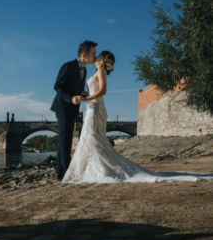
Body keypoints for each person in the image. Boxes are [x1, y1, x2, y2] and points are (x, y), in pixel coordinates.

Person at [62, 51, 212, 183]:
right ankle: (87, 167)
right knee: (91, 137)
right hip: (91, 106)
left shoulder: (101, 71)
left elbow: (102, 91)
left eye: (99, 56)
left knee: (92, 136)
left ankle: (93, 168)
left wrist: (88, 99)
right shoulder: (98, 71)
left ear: (102, 60)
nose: (96, 57)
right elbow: (94, 92)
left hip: (94, 107)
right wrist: (84, 95)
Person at [51, 40, 97, 179]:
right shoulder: (68, 66)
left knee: (65, 138)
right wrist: (70, 98)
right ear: (84, 54)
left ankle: (60, 171)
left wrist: (84, 93)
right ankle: (65, 172)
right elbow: (58, 86)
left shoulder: (85, 69)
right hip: (63, 106)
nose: (94, 56)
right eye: (93, 54)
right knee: (65, 139)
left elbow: (75, 87)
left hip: (73, 107)